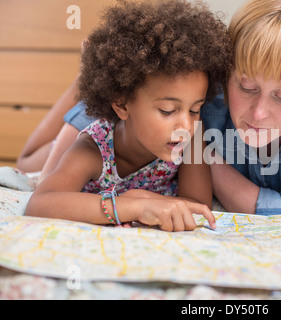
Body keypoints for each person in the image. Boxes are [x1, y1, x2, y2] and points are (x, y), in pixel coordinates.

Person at [28, 0, 281, 219]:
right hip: (111, 109)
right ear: (227, 75)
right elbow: (127, 101)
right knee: (33, 162)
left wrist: (202, 152)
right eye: (247, 88)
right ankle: (80, 76)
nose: (257, 115)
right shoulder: (204, 85)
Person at [25, 0, 234, 231]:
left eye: (195, 109)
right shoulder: (93, 149)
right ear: (122, 104)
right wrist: (131, 205)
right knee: (28, 161)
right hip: (73, 136)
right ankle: (80, 78)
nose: (185, 124)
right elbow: (40, 203)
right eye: (167, 110)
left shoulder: (191, 135)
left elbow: (196, 205)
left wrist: (142, 196)